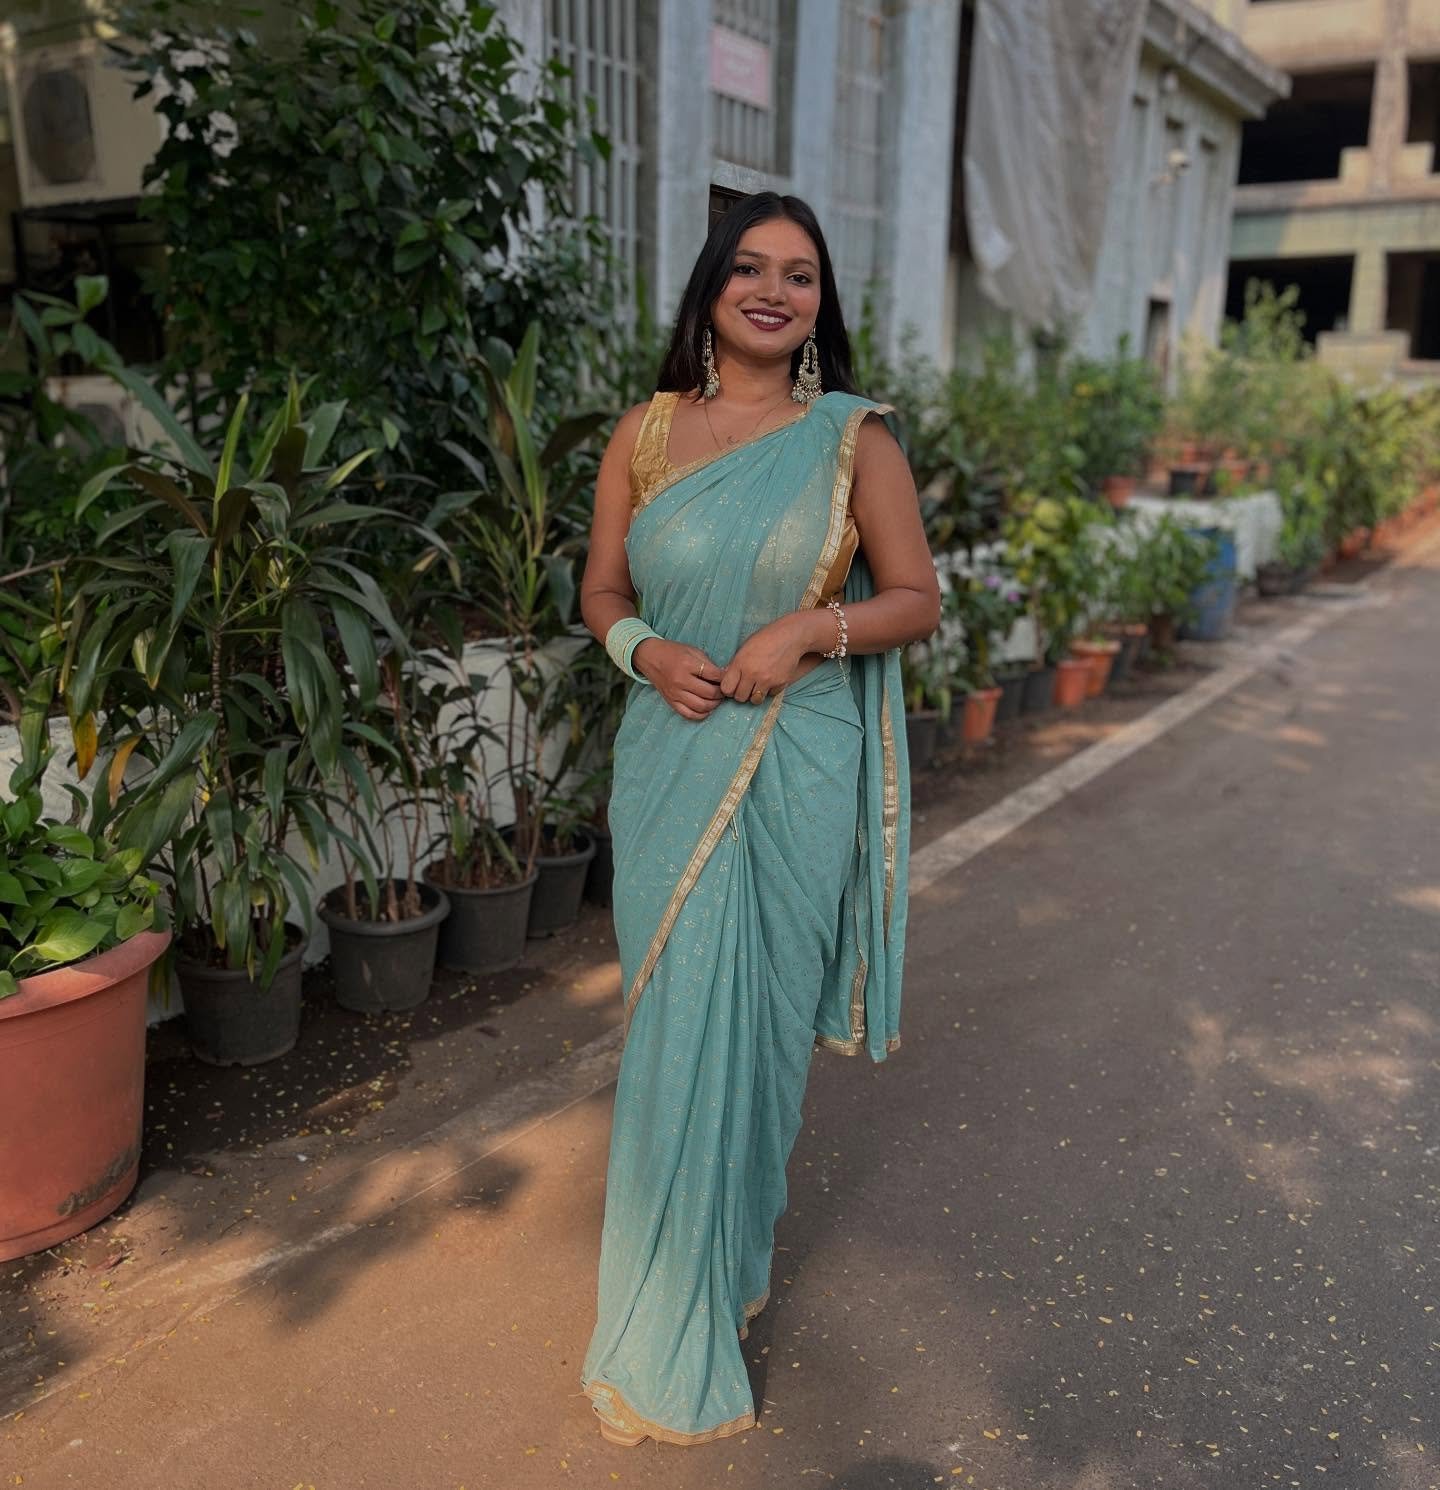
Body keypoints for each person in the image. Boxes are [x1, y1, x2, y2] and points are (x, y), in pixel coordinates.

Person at [577, 192, 940, 1447]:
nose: (774, 290)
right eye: (750, 267)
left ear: (821, 303)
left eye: (800, 274)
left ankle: (721, 1272)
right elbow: (601, 587)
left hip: (800, 751)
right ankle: (654, 1323)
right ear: (711, 288)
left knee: (763, 1038)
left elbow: (914, 598)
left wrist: (803, 629)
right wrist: (642, 648)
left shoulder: (852, 439)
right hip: (671, 750)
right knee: (677, 1026)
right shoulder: (647, 432)